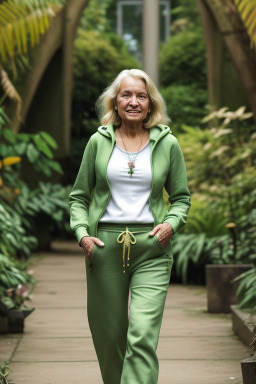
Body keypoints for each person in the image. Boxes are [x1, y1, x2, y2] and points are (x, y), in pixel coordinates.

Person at [69, 69, 190, 384]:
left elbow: (181, 199)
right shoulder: (98, 141)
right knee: (110, 338)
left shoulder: (167, 144)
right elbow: (79, 198)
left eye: (141, 95)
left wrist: (170, 225)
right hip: (105, 247)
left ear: (150, 103)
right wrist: (83, 235)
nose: (134, 102)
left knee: (142, 334)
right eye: (126, 95)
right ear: (115, 101)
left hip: (152, 246)